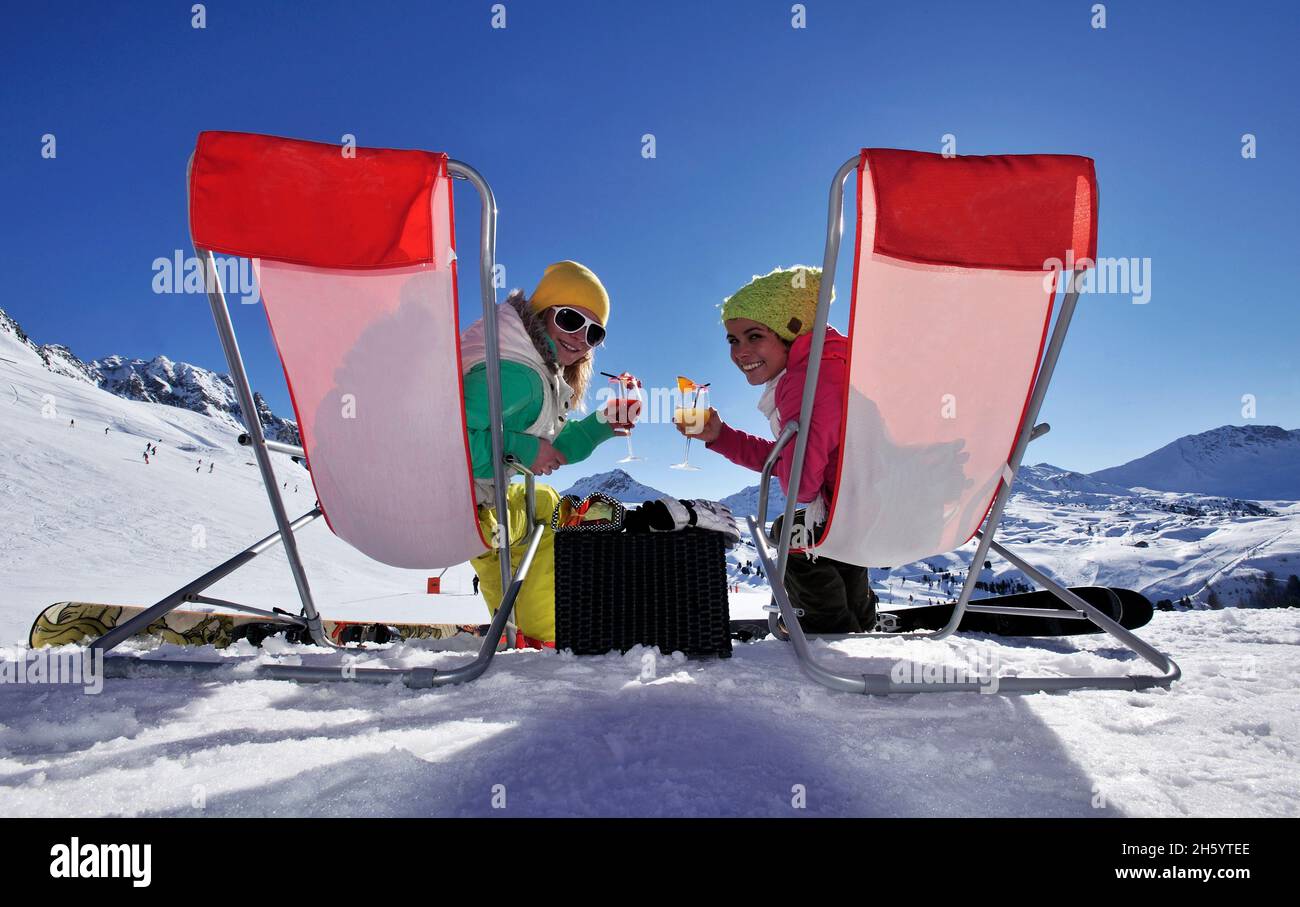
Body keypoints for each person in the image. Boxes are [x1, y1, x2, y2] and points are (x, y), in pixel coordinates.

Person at [676, 266, 875, 633]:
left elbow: (800, 485)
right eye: (733, 340)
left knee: (790, 530)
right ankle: (859, 618)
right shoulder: (838, 364)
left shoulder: (807, 380)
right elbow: (791, 457)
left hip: (867, 513)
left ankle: (826, 625)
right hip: (886, 507)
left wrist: (725, 439)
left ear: (791, 331)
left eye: (755, 336)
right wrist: (722, 437)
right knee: (819, 525)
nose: (741, 352)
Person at [460, 261, 637, 647]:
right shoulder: (518, 375)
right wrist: (524, 449)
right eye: (570, 319)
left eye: (594, 332)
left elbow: (549, 445)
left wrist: (599, 426)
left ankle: (517, 624)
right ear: (542, 312)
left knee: (546, 502)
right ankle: (544, 636)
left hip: (469, 500)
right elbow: (449, 441)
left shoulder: (524, 361)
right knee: (552, 518)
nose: (580, 337)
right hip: (463, 510)